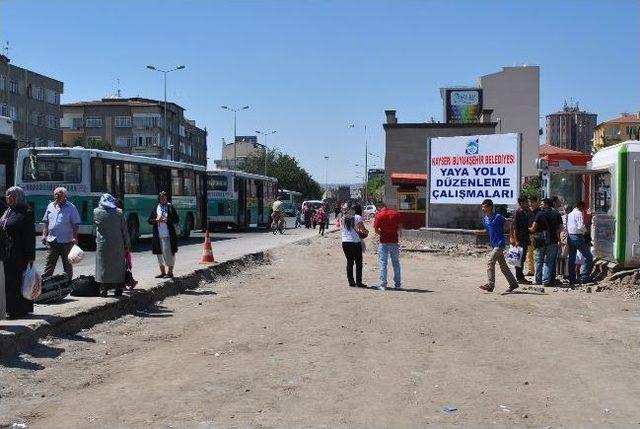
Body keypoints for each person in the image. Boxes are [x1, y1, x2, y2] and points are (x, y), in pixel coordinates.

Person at [2, 186, 36, 319]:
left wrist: (30, 257)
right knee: (10, 282)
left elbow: (29, 237)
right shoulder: (8, 211)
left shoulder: (25, 212)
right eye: (7, 195)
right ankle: (13, 308)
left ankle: (16, 310)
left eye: (12, 196)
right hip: (7, 253)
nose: (8, 198)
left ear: (18, 197)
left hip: (19, 255)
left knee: (17, 282)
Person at [94, 194, 131, 297]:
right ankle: (118, 289)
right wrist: (127, 244)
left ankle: (103, 289)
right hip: (117, 244)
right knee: (118, 266)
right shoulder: (119, 213)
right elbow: (124, 230)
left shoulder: (96, 212)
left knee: (103, 266)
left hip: (102, 244)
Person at [41, 187, 81, 280]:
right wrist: (44, 234)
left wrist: (75, 237)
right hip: (52, 240)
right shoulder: (50, 205)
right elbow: (46, 221)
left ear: (65, 196)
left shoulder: (71, 207)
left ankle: (68, 283)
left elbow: (75, 224)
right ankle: (45, 283)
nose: (57, 197)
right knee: (49, 264)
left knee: (67, 264)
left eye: (59, 195)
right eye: (55, 195)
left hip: (66, 241)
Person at [479, 199, 519, 293]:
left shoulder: (498, 217)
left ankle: (490, 285)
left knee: (490, 262)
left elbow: (511, 224)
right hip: (494, 245)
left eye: (484, 207)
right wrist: (477, 233)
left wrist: (512, 237)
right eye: (482, 206)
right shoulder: (485, 219)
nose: (483, 208)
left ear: (490, 207)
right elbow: (487, 231)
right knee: (503, 267)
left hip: (500, 244)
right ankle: (513, 284)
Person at [148, 191, 180, 278]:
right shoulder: (156, 208)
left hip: (168, 235)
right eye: (161, 198)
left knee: (168, 253)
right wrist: (156, 220)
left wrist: (167, 220)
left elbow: (176, 219)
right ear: (158, 199)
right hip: (158, 235)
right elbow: (149, 220)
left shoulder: (170, 207)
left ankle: (170, 272)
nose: (163, 199)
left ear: (166, 199)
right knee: (159, 254)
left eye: (164, 198)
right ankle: (162, 272)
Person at [373, 201, 403, 290]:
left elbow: (375, 229)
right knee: (396, 264)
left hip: (383, 242)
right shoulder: (395, 214)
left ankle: (383, 285)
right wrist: (395, 232)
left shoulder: (379, 215)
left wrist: (382, 234)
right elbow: (400, 227)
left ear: (379, 207)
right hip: (394, 241)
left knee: (383, 264)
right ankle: (397, 285)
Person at [341, 204, 368, 288]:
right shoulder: (357, 217)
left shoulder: (343, 217)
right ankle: (359, 282)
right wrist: (366, 232)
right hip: (355, 242)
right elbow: (362, 229)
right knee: (358, 263)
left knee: (349, 262)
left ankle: (351, 282)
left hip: (345, 242)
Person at [567, 201, 594, 284]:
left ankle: (572, 278)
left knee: (572, 258)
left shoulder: (570, 214)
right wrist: (586, 232)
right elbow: (580, 226)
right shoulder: (578, 213)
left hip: (570, 236)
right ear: (581, 207)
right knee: (589, 256)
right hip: (577, 236)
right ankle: (585, 276)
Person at [510, 196, 531, 284]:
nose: (528, 203)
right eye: (526, 201)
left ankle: (520, 276)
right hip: (520, 238)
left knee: (522, 259)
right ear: (521, 203)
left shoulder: (525, 211)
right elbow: (514, 227)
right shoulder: (517, 212)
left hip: (525, 237)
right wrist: (516, 239)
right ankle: (519, 277)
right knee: (518, 259)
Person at [544, 197, 563, 285]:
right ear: (554, 203)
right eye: (558, 201)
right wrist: (559, 239)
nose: (560, 202)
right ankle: (547, 280)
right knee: (551, 260)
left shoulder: (543, 213)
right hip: (553, 240)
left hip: (543, 240)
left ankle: (550, 279)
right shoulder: (557, 214)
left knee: (545, 260)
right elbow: (559, 229)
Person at [525, 195, 540, 277]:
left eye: (532, 202)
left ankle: (538, 270)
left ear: (536, 202)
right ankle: (531, 270)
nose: (531, 203)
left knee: (538, 253)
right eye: (530, 202)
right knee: (530, 253)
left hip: (538, 234)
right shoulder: (527, 211)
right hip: (529, 233)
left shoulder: (539, 210)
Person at [558, 204, 572, 278]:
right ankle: (561, 272)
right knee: (562, 255)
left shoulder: (572, 217)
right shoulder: (562, 218)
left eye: (567, 209)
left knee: (568, 256)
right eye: (565, 209)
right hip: (563, 237)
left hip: (570, 236)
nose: (566, 211)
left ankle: (567, 273)